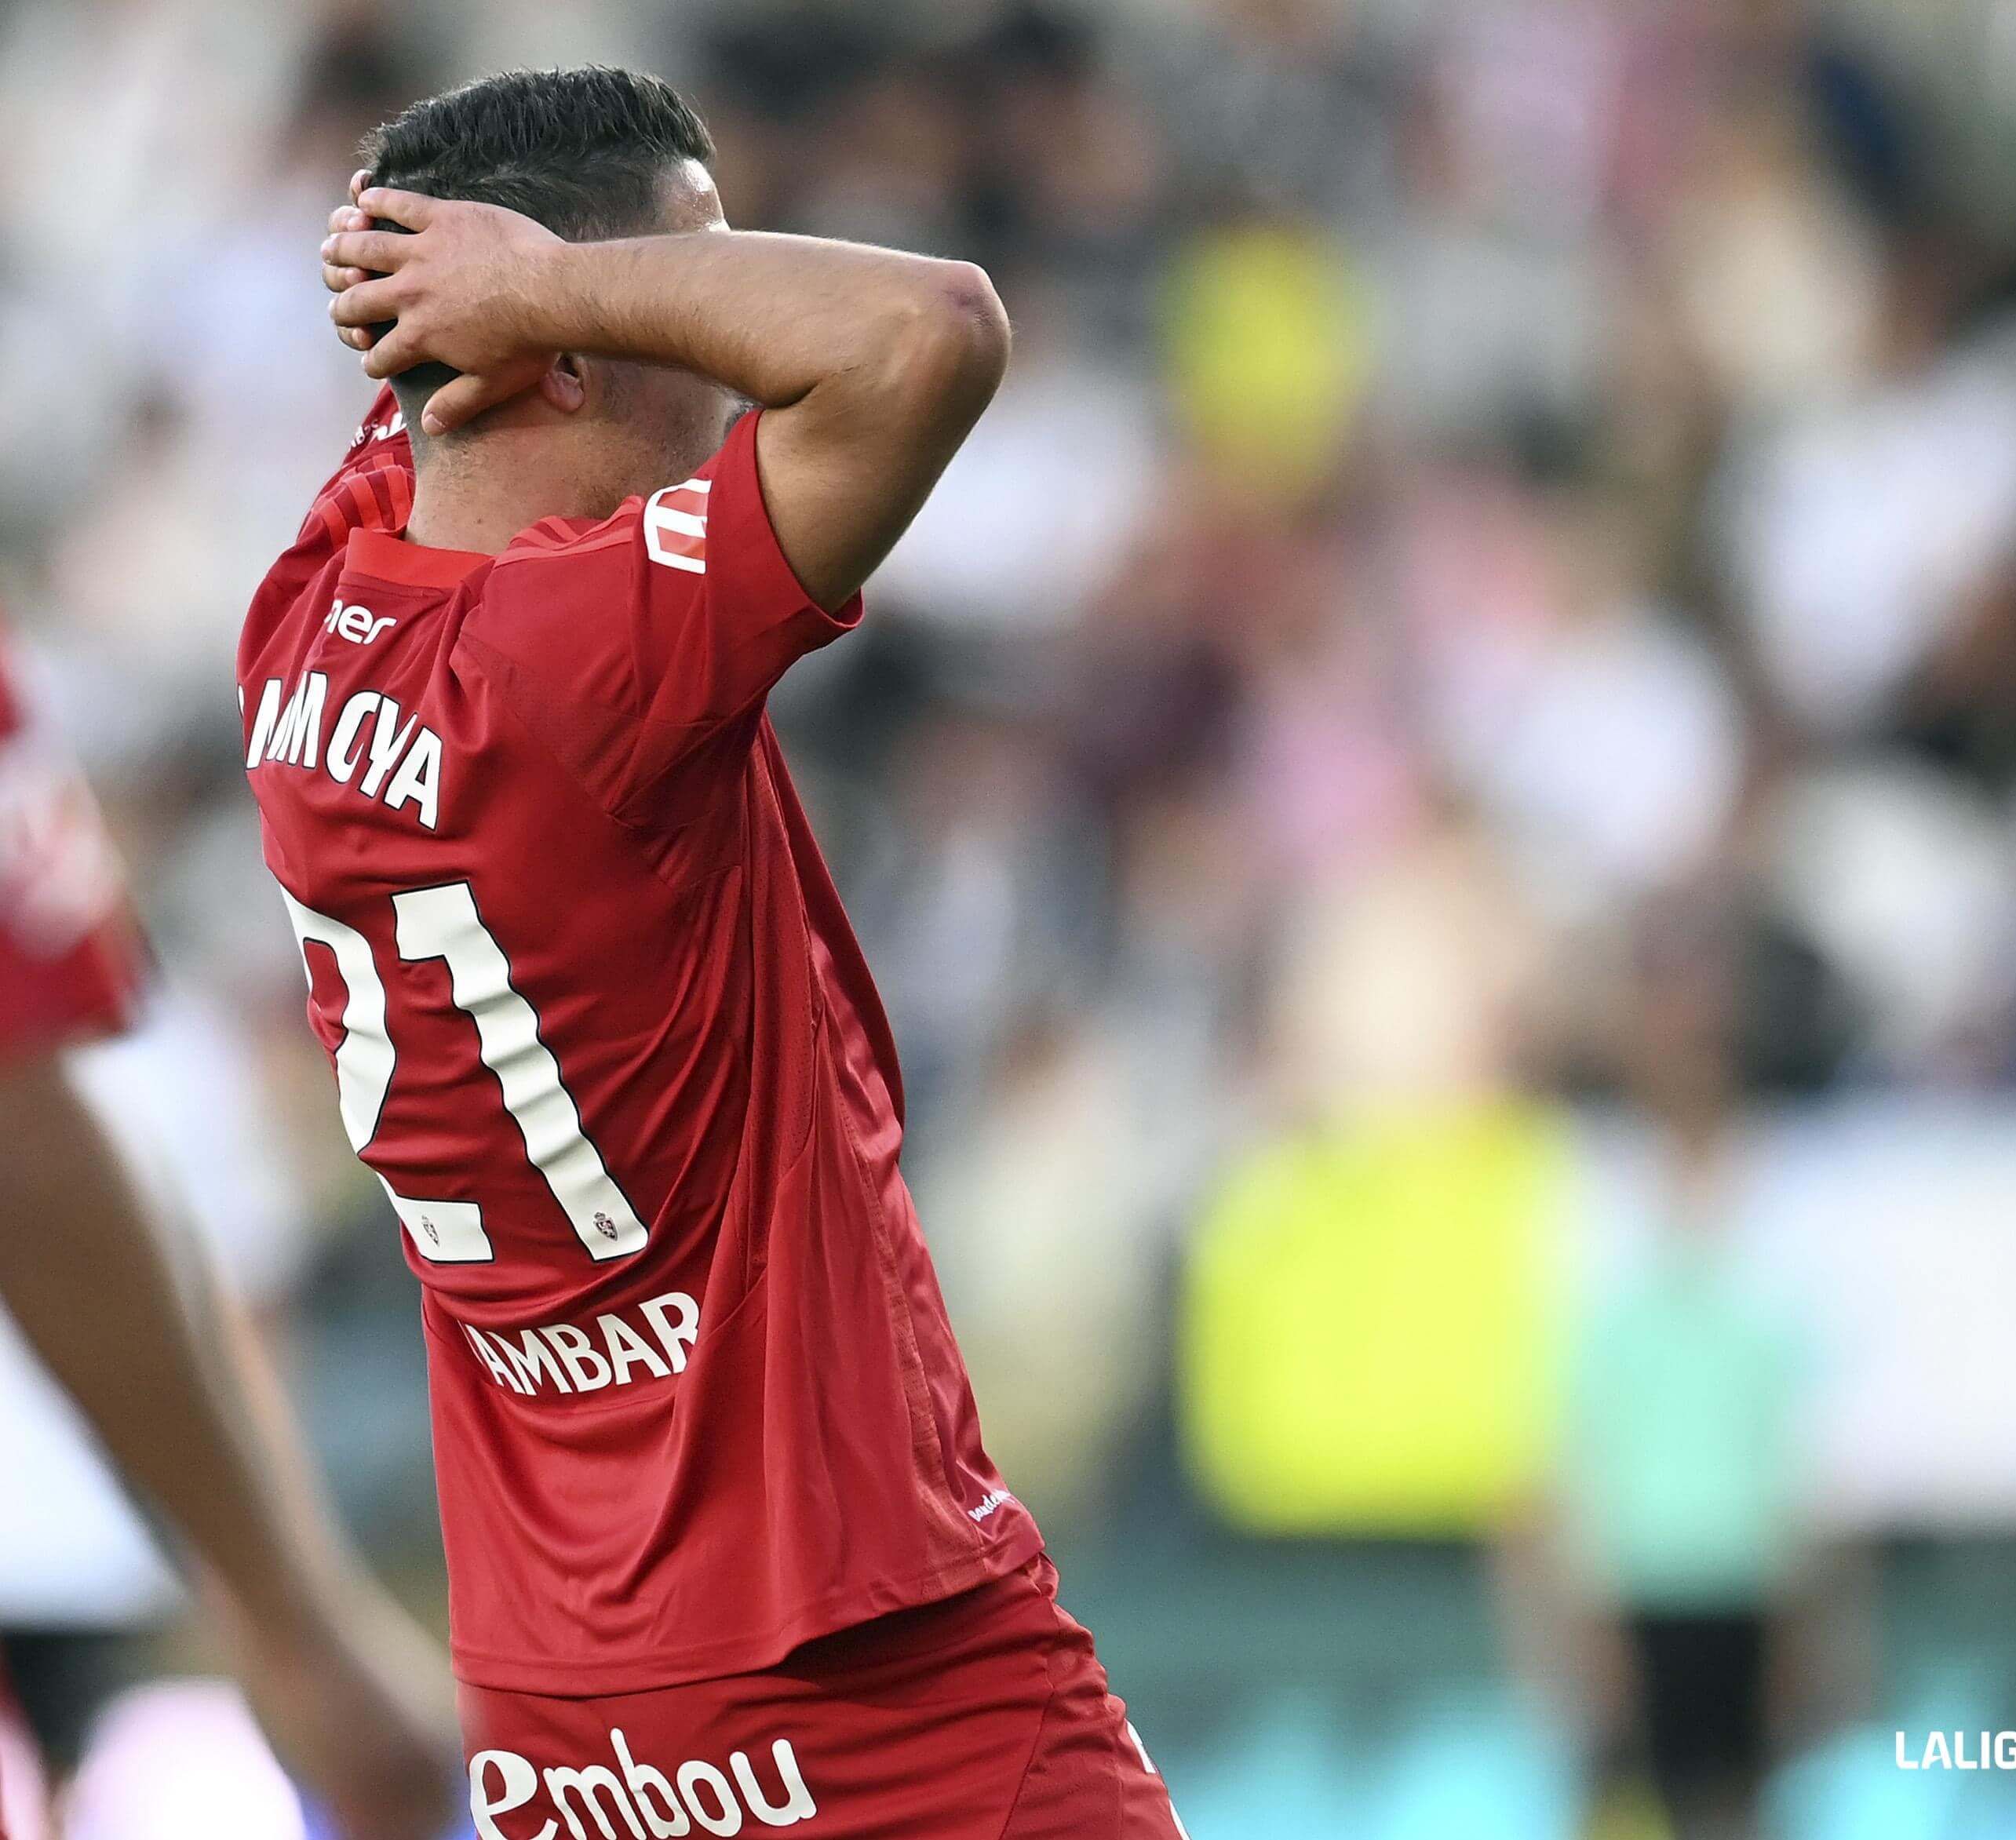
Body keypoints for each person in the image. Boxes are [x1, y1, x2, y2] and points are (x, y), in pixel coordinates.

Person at [250, 67, 1184, 1837]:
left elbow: (440, 415)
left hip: (560, 1697)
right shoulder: (592, 660)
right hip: (854, 1646)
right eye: (701, 270)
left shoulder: (303, 614)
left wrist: (490, 282)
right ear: (569, 343)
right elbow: (932, 332)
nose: (741, 317)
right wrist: (544, 279)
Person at [0, 637, 458, 1840]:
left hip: (91, 1556)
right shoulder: (135, 1061)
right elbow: (27, 1142)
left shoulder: (176, 1059)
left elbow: (242, 1321)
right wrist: (297, 1620)